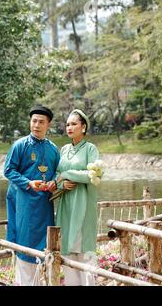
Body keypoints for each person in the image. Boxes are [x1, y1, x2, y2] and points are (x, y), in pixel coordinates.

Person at [4, 105, 60, 285]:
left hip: (45, 204)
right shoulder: (20, 145)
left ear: (48, 125)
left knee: (45, 246)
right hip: (24, 202)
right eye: (34, 121)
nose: (36, 125)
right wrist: (28, 182)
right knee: (24, 243)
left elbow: (57, 173)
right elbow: (8, 170)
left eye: (41, 122)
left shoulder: (53, 149)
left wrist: (53, 183)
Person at [55, 109, 100, 286]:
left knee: (84, 251)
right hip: (66, 206)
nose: (69, 127)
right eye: (67, 124)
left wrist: (67, 173)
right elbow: (56, 176)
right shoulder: (64, 149)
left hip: (84, 205)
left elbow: (92, 174)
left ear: (83, 127)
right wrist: (61, 184)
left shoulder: (90, 149)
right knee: (67, 249)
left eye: (74, 124)